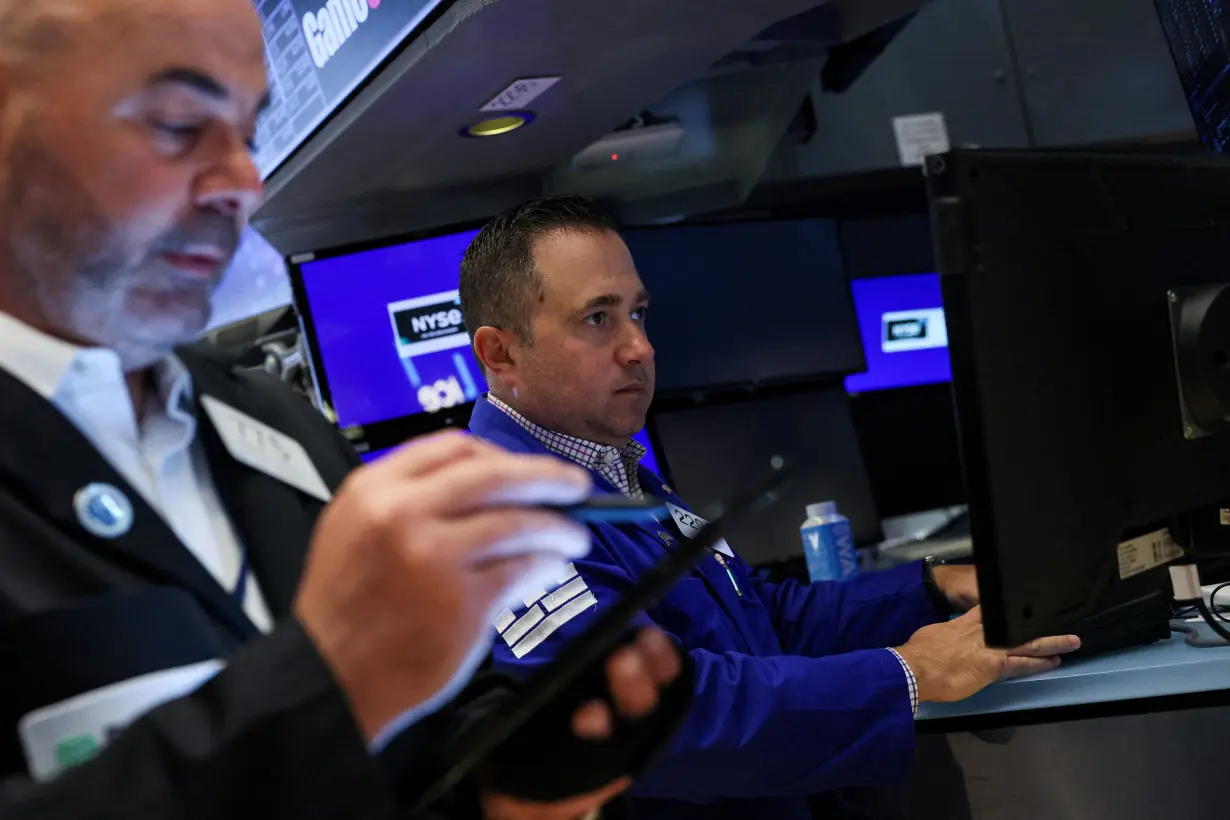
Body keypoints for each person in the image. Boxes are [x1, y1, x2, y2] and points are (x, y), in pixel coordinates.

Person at [0, 2, 690, 818]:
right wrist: (331, 682)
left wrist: (511, 768)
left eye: (247, 133)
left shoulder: (269, 422)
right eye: (178, 123)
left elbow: (413, 746)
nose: (242, 186)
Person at [460, 195, 1083, 820]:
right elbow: (660, 717)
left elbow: (761, 623)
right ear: (500, 353)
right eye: (598, 318)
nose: (640, 348)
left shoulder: (611, 472)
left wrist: (930, 588)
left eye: (639, 314)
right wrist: (907, 672)